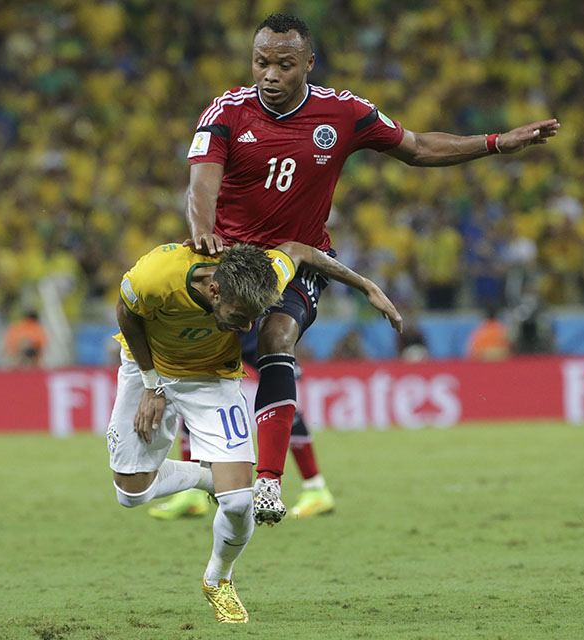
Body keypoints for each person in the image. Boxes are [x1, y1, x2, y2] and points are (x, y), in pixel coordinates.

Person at [185, 13, 560, 525]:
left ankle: (269, 482)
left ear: (309, 64)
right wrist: (203, 235)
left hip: (302, 261)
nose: (269, 75)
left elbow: (418, 148)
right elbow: (201, 187)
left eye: (284, 65)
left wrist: (496, 143)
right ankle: (195, 472)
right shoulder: (227, 111)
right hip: (235, 265)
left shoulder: (344, 112)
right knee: (196, 361)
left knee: (277, 338)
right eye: (260, 62)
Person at [106, 240, 400, 623]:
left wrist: (367, 286)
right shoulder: (156, 275)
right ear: (214, 289)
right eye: (240, 316)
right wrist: (150, 385)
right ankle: (214, 478)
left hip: (212, 379)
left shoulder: (267, 273)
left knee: (239, 504)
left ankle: (218, 579)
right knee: (131, 492)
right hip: (148, 371)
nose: (247, 328)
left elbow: (301, 251)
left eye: (253, 319)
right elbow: (126, 313)